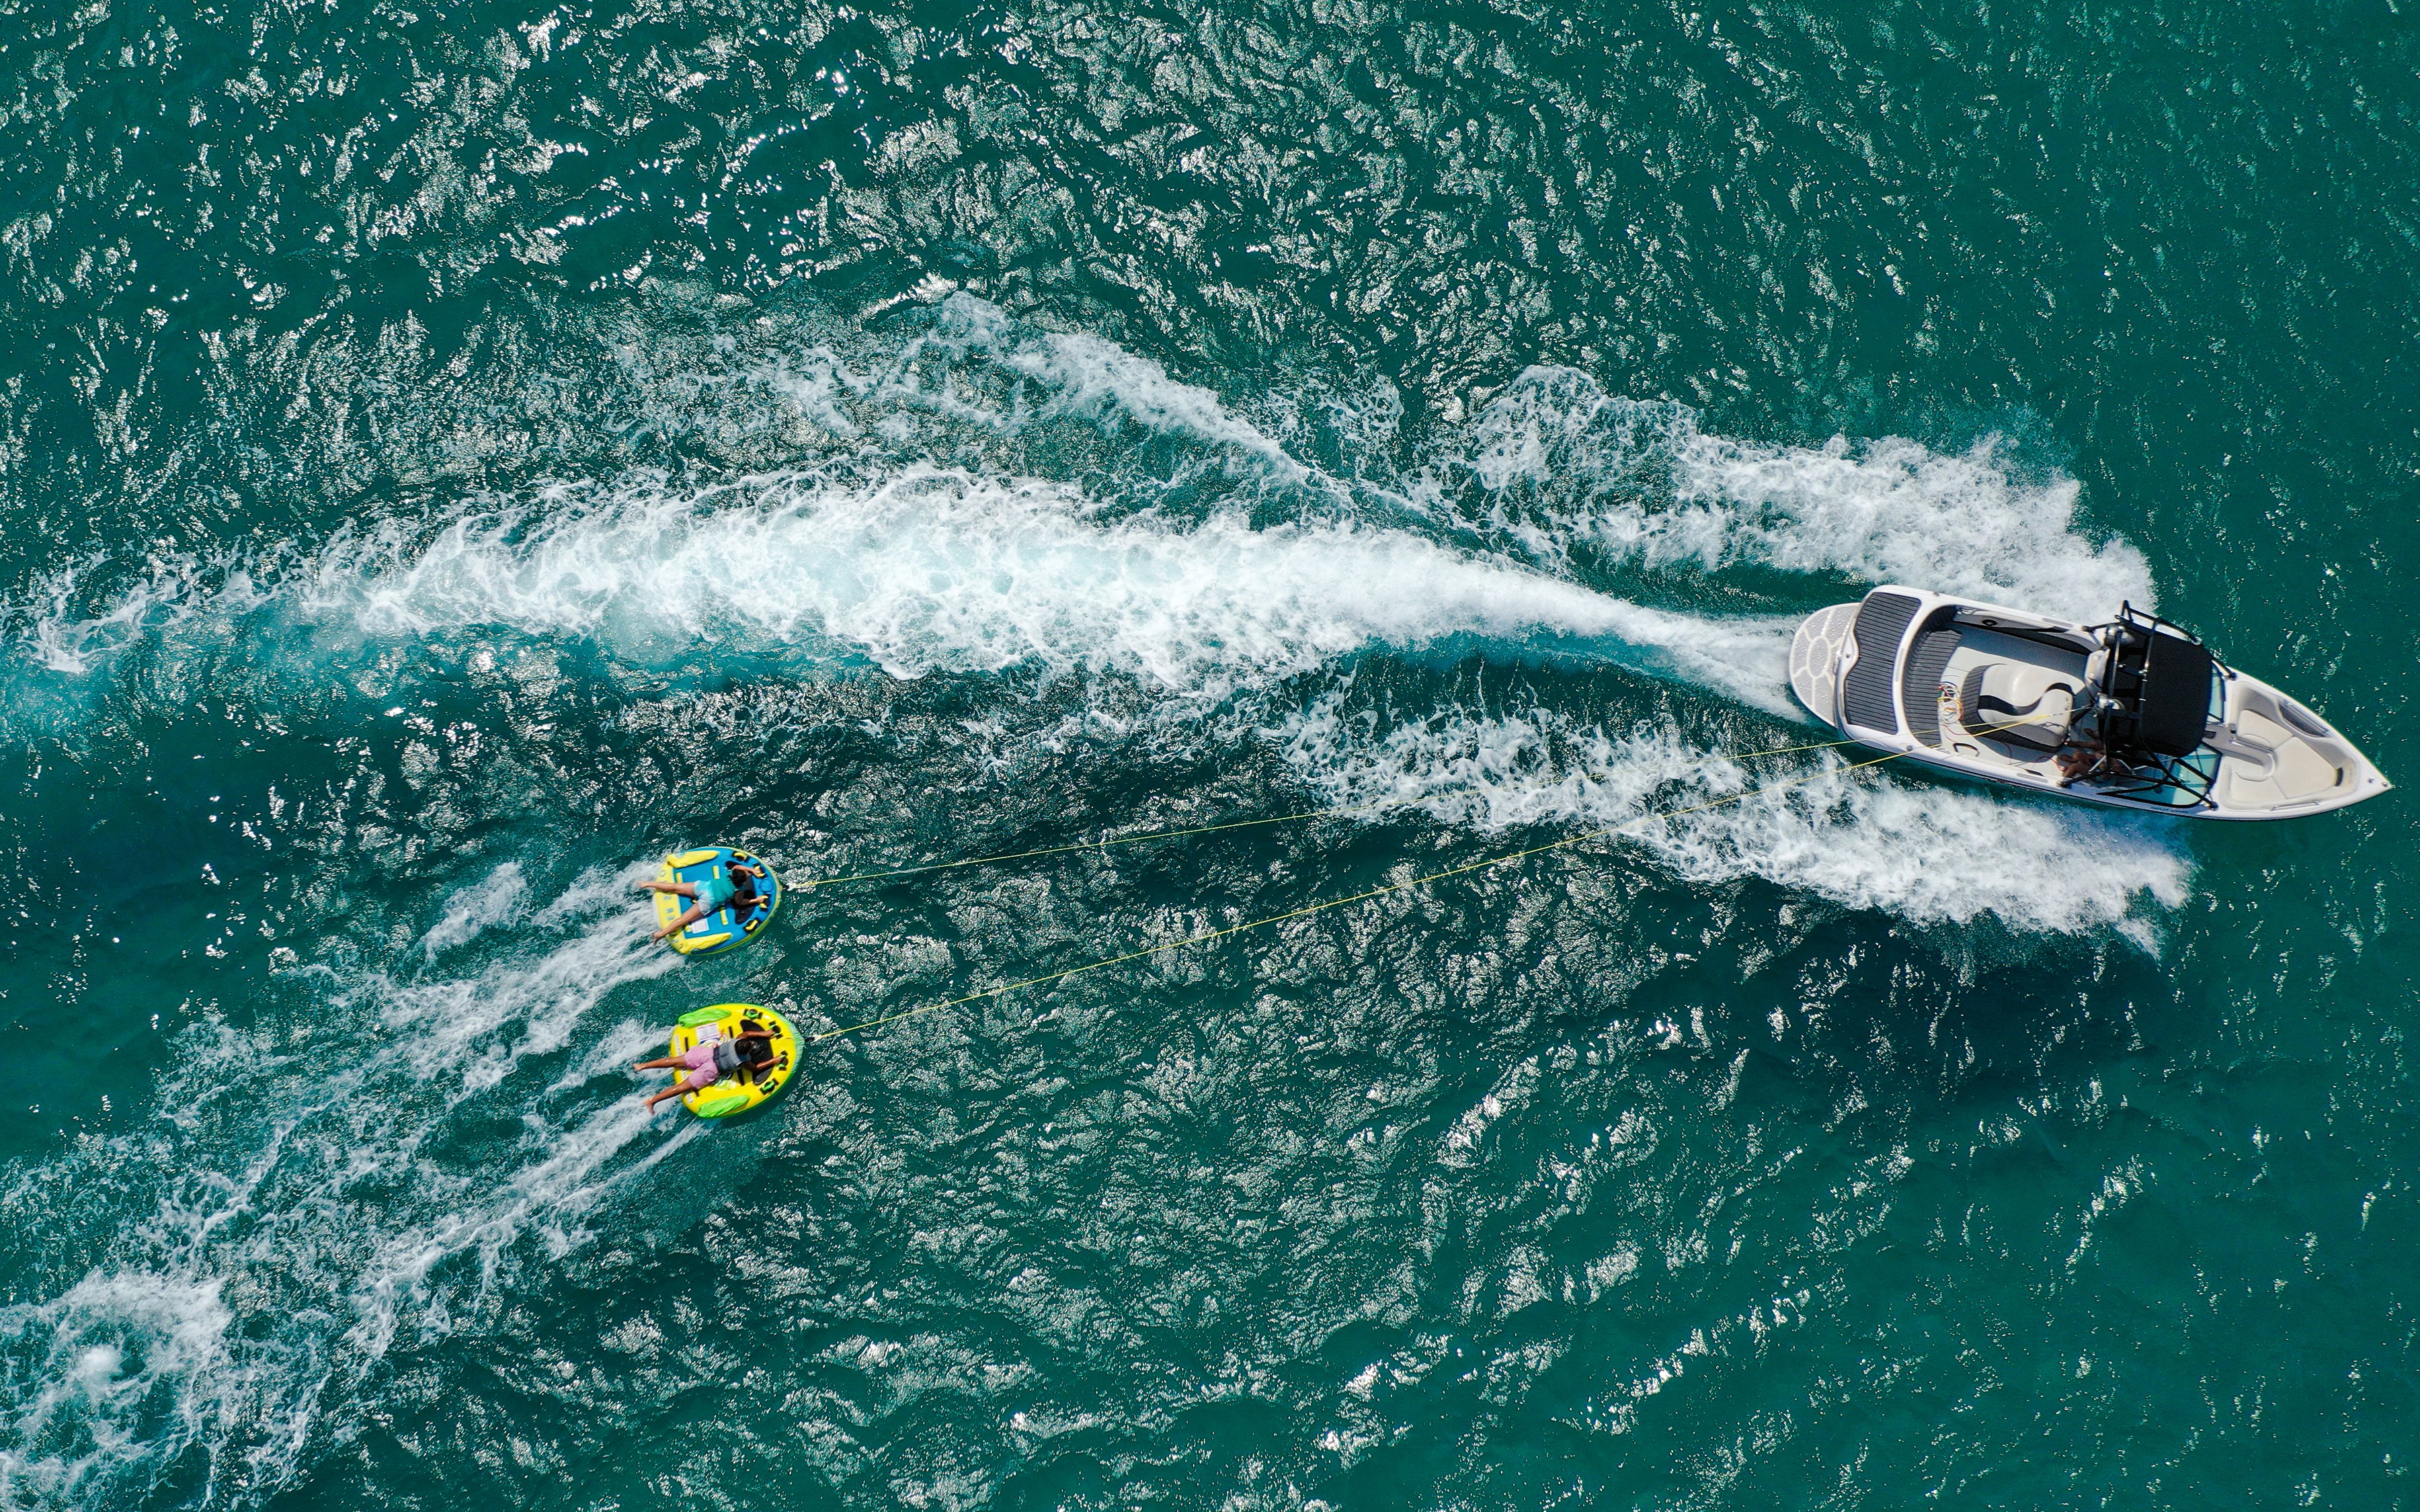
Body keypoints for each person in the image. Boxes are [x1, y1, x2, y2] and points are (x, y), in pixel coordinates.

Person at [635, 1025, 778, 1111]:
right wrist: (773, 1061)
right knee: (681, 1088)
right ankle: (652, 1101)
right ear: (746, 1052)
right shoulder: (744, 1060)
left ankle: (642, 1066)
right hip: (711, 1070)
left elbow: (747, 1034)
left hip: (705, 1054)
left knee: (673, 1061)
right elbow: (755, 1068)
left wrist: (765, 1034)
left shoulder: (738, 1040)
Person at [641, 859, 768, 942]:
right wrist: (756, 900)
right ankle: (660, 934)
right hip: (709, 901)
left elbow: (738, 866)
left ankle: (647, 884)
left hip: (703, 887)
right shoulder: (738, 890)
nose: (749, 874)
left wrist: (752, 870)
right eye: (748, 875)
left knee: (675, 887)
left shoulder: (733, 872)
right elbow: (740, 902)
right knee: (684, 919)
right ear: (742, 882)